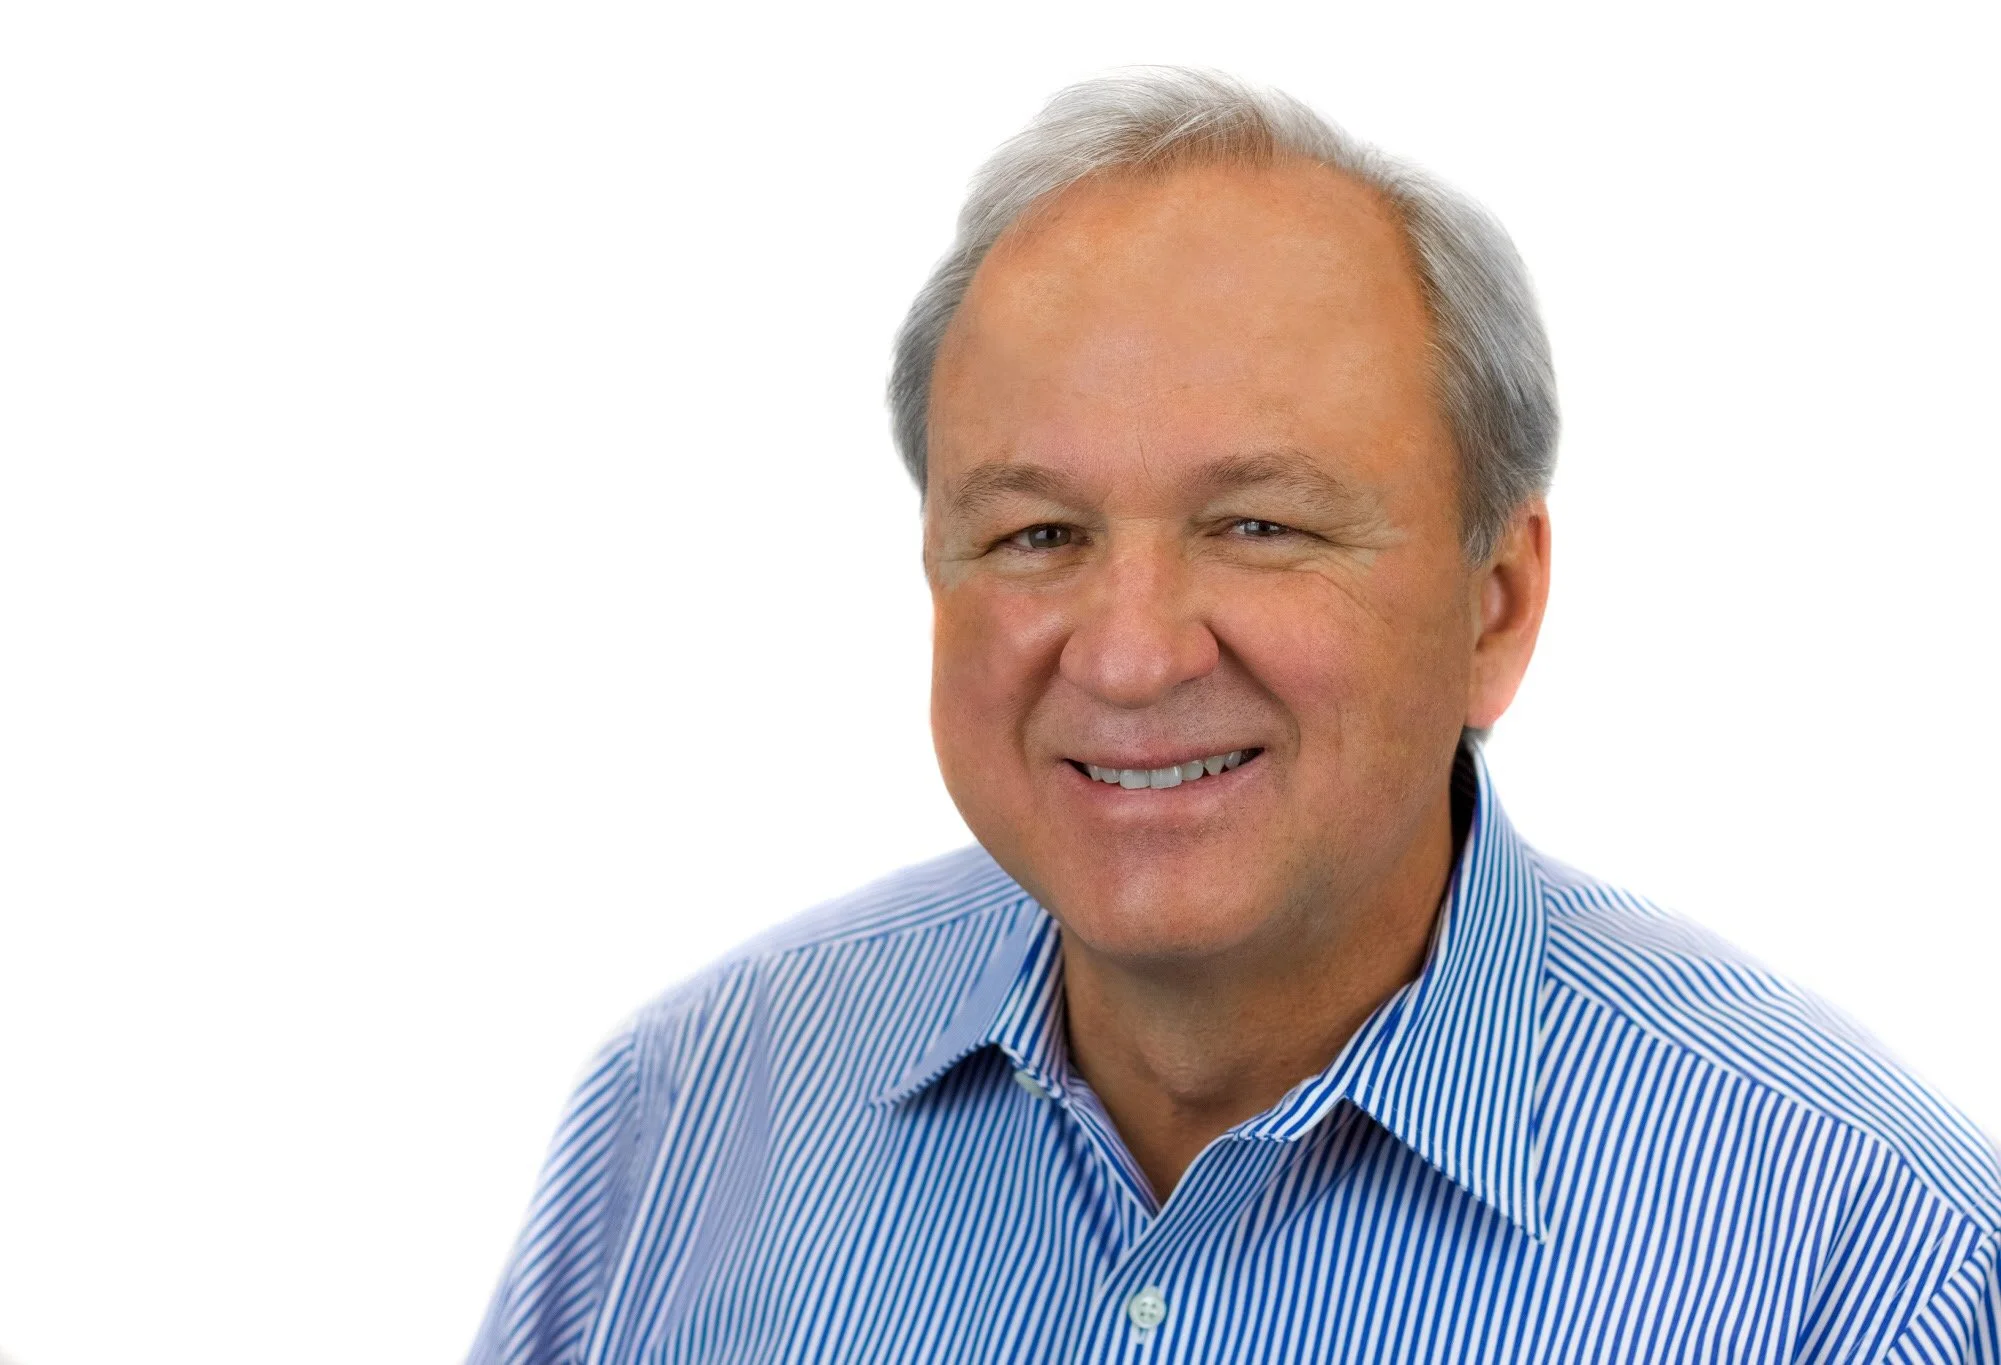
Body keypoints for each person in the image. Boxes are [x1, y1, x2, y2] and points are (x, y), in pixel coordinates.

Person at [468, 69, 2000, 1363]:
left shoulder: (1870, 1267)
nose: (1130, 659)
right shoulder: (688, 1115)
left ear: (1499, 602)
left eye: (1261, 525)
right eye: (1036, 536)